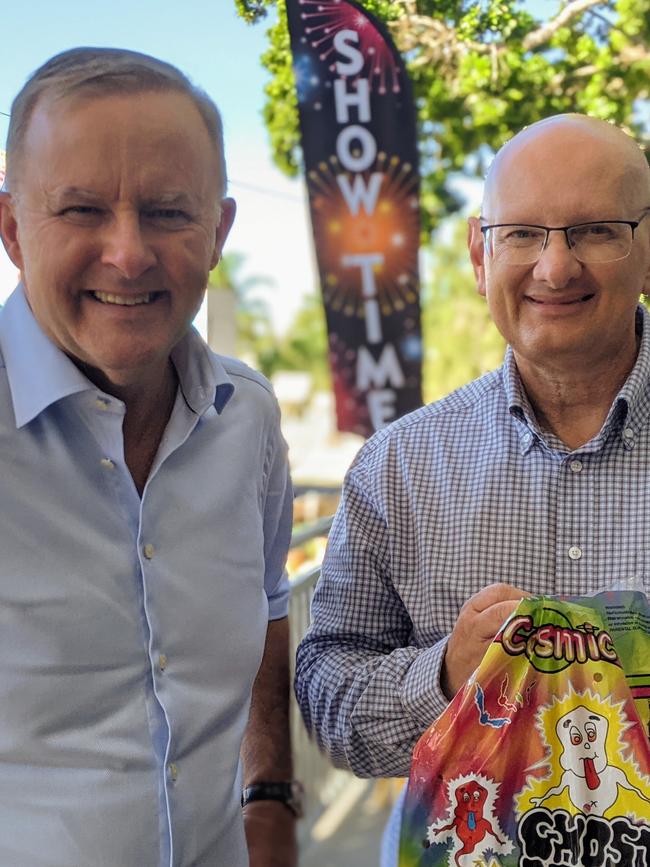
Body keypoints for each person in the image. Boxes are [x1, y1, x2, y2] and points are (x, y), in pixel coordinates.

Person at [294, 113, 650, 854]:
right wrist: (449, 675)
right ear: (479, 253)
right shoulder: (398, 467)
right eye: (522, 233)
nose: (555, 268)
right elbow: (328, 695)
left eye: (594, 229)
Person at [0, 48, 297, 867]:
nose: (128, 253)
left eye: (169, 211)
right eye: (82, 209)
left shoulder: (249, 419)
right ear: (13, 229)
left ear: (218, 231)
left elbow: (271, 602)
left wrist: (269, 792)